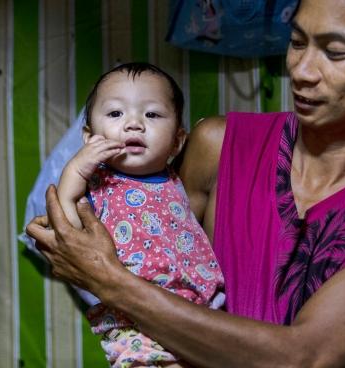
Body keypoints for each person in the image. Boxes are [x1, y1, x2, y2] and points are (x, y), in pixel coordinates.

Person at [27, 0, 345, 366]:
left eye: (335, 52)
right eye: (297, 42)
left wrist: (109, 280)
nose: (302, 70)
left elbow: (305, 357)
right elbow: (156, 258)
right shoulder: (219, 145)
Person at [55, 62, 222, 368]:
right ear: (90, 136)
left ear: (177, 140)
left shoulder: (177, 179)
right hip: (134, 320)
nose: (134, 124)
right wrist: (78, 167)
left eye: (152, 114)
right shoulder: (98, 181)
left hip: (201, 309)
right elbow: (68, 223)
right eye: (116, 113)